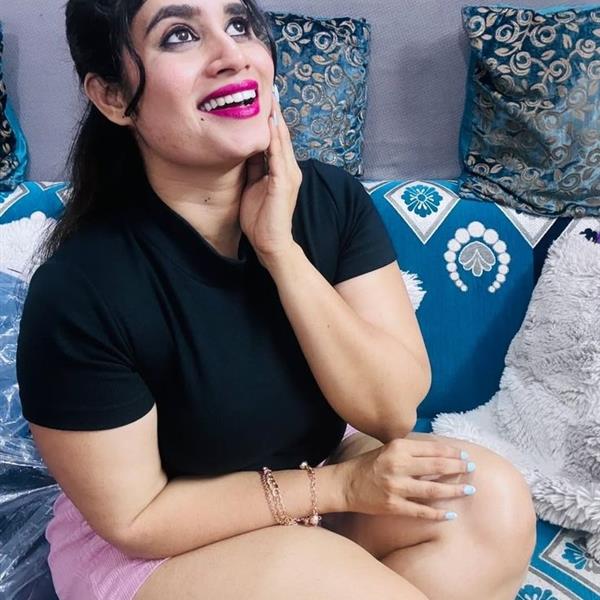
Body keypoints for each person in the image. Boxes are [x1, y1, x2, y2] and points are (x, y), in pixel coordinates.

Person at [16, 1, 537, 598]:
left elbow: (392, 412)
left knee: (487, 503)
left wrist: (281, 252)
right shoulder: (82, 290)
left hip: (313, 482)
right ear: (113, 96)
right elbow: (137, 519)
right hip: (163, 542)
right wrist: (341, 488)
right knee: (317, 574)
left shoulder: (328, 200)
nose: (232, 55)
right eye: (179, 36)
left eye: (239, 25)